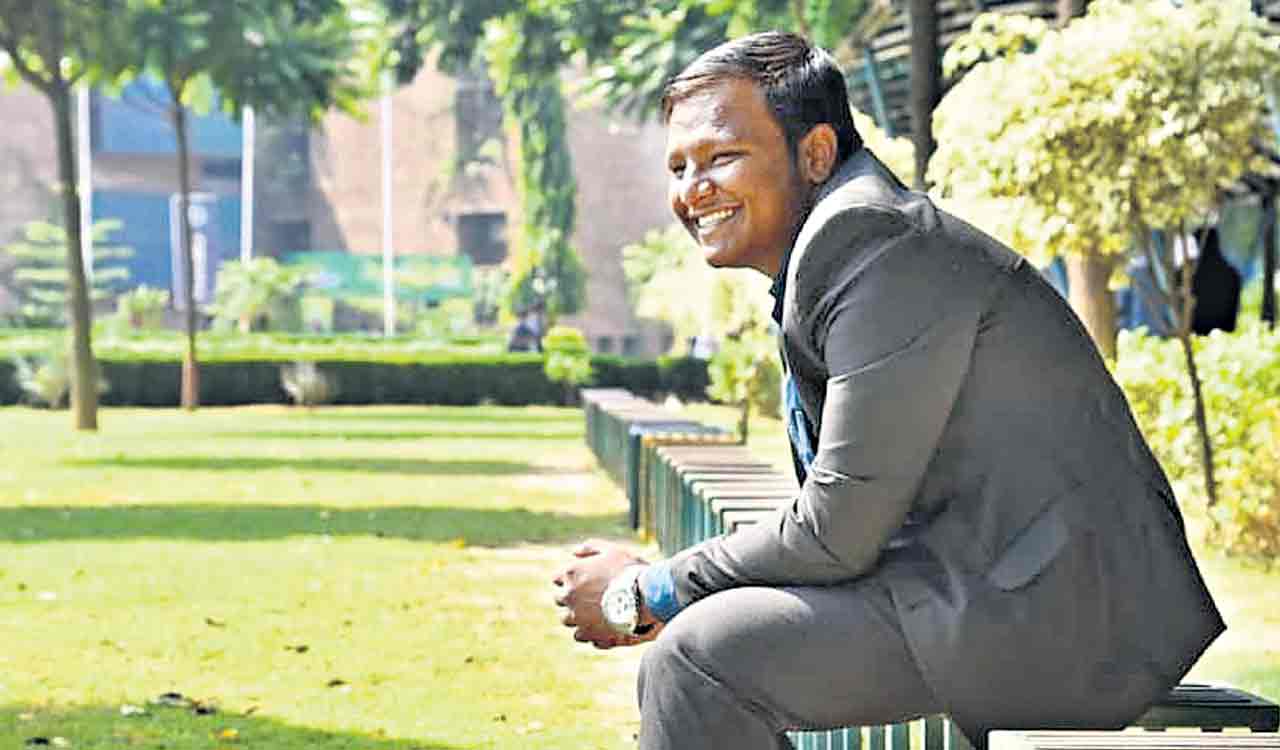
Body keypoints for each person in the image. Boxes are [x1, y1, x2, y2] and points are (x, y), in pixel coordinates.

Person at [552, 31, 1223, 750]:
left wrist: (645, 591)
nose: (693, 189)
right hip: (983, 581)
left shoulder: (871, 243)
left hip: (1058, 612)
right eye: (679, 167)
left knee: (701, 658)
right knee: (702, 647)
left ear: (815, 154)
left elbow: (835, 531)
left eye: (721, 158)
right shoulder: (841, 248)